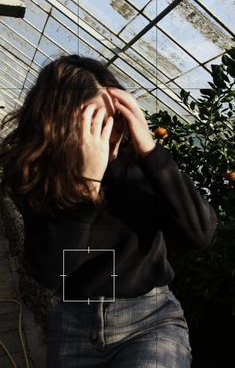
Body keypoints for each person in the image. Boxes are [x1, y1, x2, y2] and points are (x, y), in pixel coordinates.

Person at [0, 55, 217, 368]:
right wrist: (85, 187)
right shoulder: (38, 174)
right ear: (60, 124)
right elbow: (49, 271)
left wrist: (152, 152)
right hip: (73, 325)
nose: (111, 132)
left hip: (150, 321)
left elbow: (199, 235)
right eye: (96, 123)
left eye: (116, 119)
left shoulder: (137, 163)